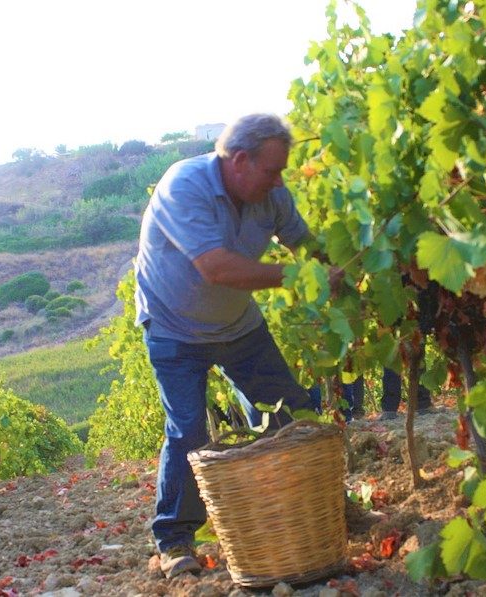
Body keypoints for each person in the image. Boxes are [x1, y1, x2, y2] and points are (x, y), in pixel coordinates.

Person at [133, 113, 315, 579]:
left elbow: (306, 246)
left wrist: (355, 269)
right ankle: (174, 541)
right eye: (272, 169)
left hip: (237, 324)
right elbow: (216, 268)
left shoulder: (270, 194)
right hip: (174, 329)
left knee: (290, 414)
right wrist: (300, 276)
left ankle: (310, 511)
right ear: (239, 160)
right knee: (189, 430)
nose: (280, 180)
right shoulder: (184, 186)